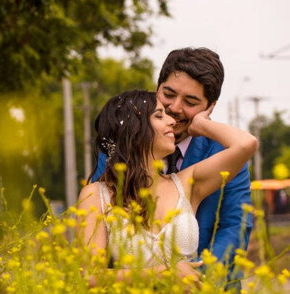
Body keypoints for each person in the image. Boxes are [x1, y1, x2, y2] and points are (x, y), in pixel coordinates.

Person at [90, 48, 253, 274]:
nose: (175, 108)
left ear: (209, 107)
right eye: (168, 94)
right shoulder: (119, 151)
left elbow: (234, 228)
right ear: (157, 88)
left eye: (190, 101)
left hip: (207, 292)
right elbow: (99, 224)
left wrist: (193, 283)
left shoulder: (223, 153)